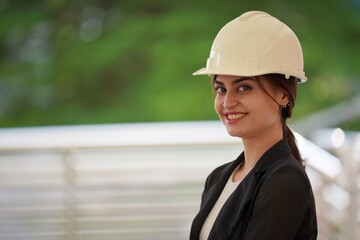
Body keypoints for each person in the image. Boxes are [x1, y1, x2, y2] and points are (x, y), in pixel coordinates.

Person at [189, 11, 317, 240]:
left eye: (244, 88)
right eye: (221, 89)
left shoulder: (285, 181)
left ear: (284, 95)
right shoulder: (218, 178)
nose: (228, 102)